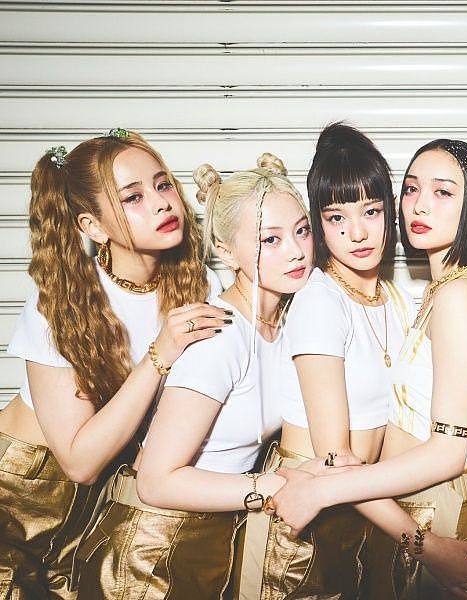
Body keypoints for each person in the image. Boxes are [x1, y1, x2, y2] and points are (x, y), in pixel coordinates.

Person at [269, 139, 467, 599]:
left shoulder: (427, 297)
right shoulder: (328, 299)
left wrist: (425, 540)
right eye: (412, 189)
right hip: (328, 520)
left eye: (442, 192)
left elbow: (448, 445)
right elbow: (334, 455)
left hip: (403, 510)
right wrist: (422, 542)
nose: (357, 233)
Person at [76, 153, 314, 598]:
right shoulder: (219, 334)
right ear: (225, 251)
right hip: (148, 551)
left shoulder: (285, 324)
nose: (296, 251)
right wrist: (274, 486)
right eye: (271, 239)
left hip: (211, 539)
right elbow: (156, 480)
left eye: (302, 231)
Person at [0, 129, 224, 599]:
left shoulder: (199, 283)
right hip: (20, 491)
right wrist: (160, 352)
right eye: (133, 197)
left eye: (163, 185)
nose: (161, 204)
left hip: (99, 502)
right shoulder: (59, 301)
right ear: (93, 226)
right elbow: (79, 461)